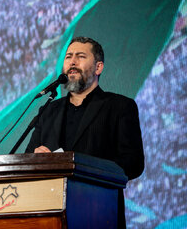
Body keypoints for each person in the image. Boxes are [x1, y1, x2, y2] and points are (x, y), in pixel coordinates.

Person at [25, 36, 144, 227]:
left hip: (98, 213)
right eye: (68, 57)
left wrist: (81, 168)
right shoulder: (48, 110)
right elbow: (28, 156)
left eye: (80, 56)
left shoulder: (120, 107)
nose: (72, 61)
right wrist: (36, 158)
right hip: (49, 216)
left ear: (98, 67)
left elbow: (133, 163)